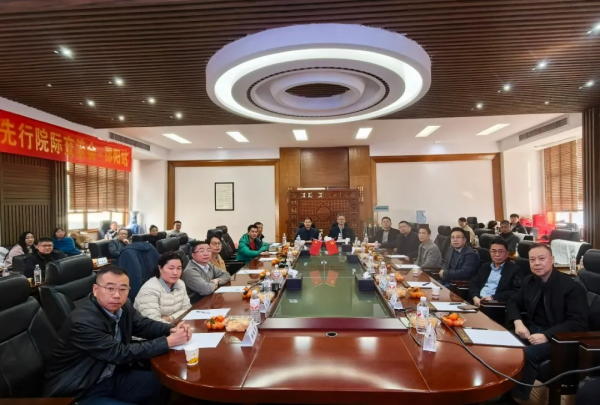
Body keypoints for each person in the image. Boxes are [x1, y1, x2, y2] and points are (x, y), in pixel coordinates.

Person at [43, 266, 191, 403]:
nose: (116, 295)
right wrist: (168, 342)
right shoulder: (83, 321)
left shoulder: (124, 306)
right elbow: (119, 353)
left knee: (166, 384)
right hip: (82, 388)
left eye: (123, 289)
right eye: (110, 288)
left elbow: (142, 325)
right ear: (95, 289)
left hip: (112, 374)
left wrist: (171, 329)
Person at [507, 243, 588, 402]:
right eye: (532, 260)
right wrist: (518, 322)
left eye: (541, 258)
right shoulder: (530, 281)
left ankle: (517, 398)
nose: (536, 263)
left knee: (527, 354)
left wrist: (547, 335)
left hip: (560, 338)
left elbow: (578, 322)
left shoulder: (571, 287)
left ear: (552, 260)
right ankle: (501, 390)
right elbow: (512, 302)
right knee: (504, 344)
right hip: (532, 330)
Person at [134, 252, 191, 324]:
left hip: (175, 324)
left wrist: (170, 318)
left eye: (179, 268)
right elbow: (153, 322)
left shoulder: (180, 283)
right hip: (152, 330)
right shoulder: (149, 289)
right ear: (160, 268)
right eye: (171, 268)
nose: (175, 272)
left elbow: (187, 309)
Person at [468, 239, 520, 306]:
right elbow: (474, 283)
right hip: (477, 301)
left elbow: (516, 292)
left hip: (494, 304)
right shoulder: (485, 267)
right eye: (493, 251)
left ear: (507, 253)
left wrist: (493, 298)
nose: (497, 254)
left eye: (501, 251)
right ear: (490, 252)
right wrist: (475, 296)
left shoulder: (514, 270)